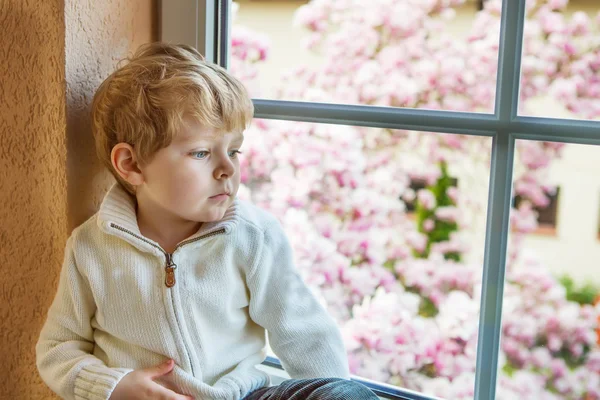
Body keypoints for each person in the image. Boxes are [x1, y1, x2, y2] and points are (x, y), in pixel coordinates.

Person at [36, 42, 379, 400]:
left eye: (234, 150)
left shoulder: (253, 236)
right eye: (201, 153)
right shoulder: (90, 248)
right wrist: (115, 387)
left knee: (341, 394)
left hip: (241, 396)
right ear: (132, 165)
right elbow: (58, 349)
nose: (227, 168)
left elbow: (304, 333)